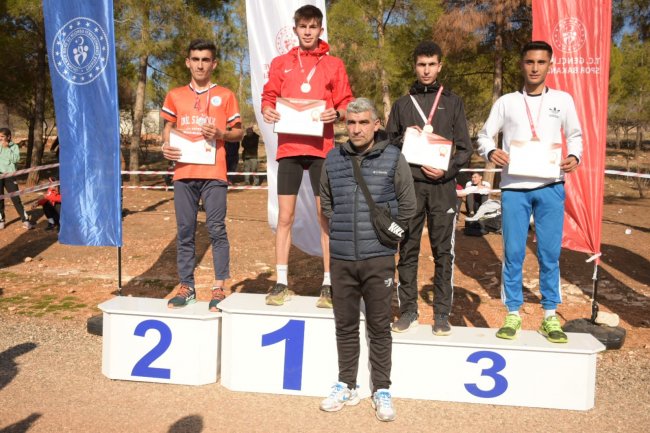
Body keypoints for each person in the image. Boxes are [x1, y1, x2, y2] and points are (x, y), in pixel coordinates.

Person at [477, 40, 582, 343]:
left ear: (550, 65)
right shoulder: (507, 102)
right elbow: (484, 135)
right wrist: (491, 151)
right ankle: (513, 313)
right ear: (521, 64)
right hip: (515, 188)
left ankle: (550, 316)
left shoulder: (562, 100)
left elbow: (575, 135)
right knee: (513, 253)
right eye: (529, 62)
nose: (535, 68)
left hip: (551, 185)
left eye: (541, 62)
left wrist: (574, 156)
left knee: (549, 253)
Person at [319, 98, 416, 422]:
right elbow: (327, 204)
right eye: (351, 122)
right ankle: (346, 385)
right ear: (345, 124)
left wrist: (387, 237)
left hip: (379, 258)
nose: (357, 129)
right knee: (345, 326)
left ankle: (382, 389)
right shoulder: (332, 158)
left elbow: (408, 205)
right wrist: (344, 227)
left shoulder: (393, 157)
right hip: (342, 258)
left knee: (379, 327)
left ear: (376, 125)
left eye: (363, 122)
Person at [261, 4, 354, 308]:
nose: (308, 32)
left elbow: (346, 102)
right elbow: (268, 96)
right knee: (284, 217)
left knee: (325, 216)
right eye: (303, 27)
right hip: (289, 149)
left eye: (313, 27)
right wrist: (268, 109)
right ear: (295, 29)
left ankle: (328, 283)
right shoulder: (281, 63)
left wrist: (337, 113)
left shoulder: (333, 64)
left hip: (320, 150)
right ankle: (281, 282)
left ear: (320, 30)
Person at [386, 41, 472, 335]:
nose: (426, 70)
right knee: (407, 249)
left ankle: (442, 315)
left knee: (443, 252)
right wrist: (404, 138)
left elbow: (465, 148)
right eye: (421, 64)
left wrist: (447, 169)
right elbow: (388, 143)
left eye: (431, 64)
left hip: (442, 187)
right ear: (415, 66)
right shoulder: (402, 104)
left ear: (439, 66)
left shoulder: (453, 102)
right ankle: (408, 311)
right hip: (409, 187)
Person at [161, 39, 243, 312]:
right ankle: (187, 287)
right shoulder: (175, 95)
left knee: (216, 229)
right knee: (185, 230)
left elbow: (239, 132)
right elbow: (168, 127)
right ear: (188, 62)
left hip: (214, 173)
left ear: (213, 64)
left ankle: (219, 288)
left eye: (205, 60)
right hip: (184, 173)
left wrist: (221, 134)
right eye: (195, 59)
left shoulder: (226, 95)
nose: (200, 65)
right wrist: (165, 146)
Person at [0, 128, 34, 230]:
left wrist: (7, 148)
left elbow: (16, 159)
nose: (0, 138)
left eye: (2, 136)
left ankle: (25, 220)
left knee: (16, 198)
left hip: (10, 176)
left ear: (8, 137)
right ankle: (1, 220)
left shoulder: (14, 147)